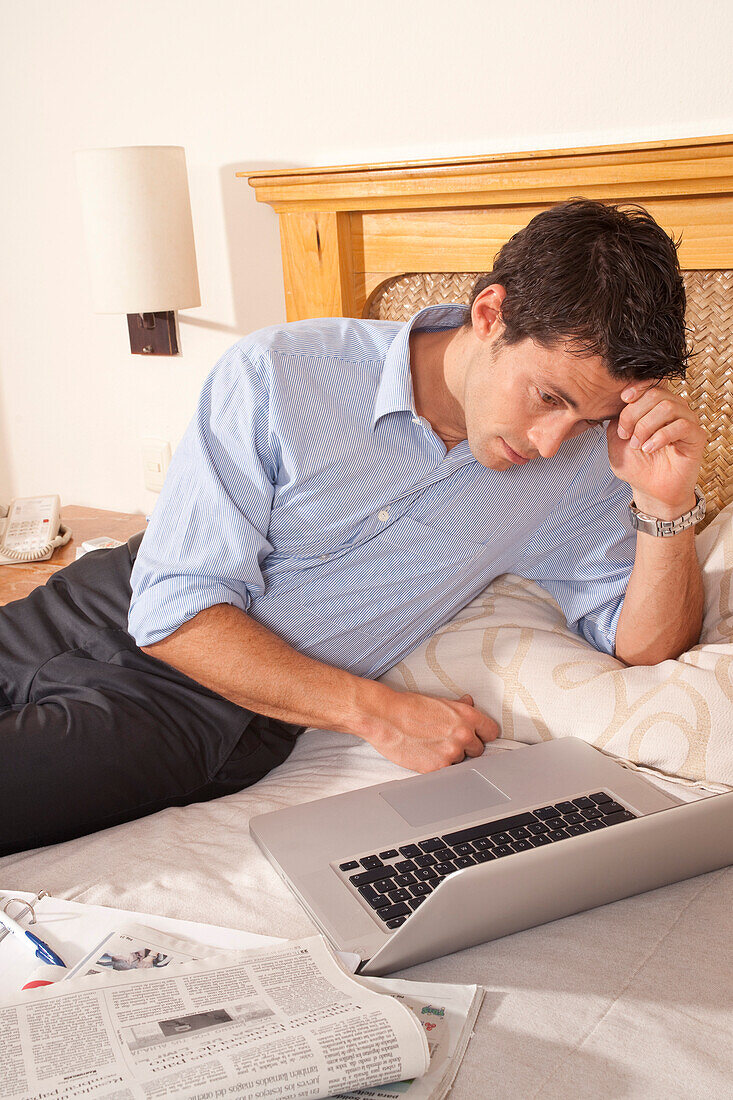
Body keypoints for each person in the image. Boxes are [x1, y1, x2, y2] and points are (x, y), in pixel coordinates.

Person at [0, 199, 706, 855]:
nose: (551, 440)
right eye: (547, 396)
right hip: (92, 601)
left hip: (206, 710)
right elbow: (172, 601)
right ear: (490, 313)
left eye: (585, 419)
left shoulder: (583, 470)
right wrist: (379, 712)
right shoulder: (280, 371)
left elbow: (641, 650)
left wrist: (667, 507)